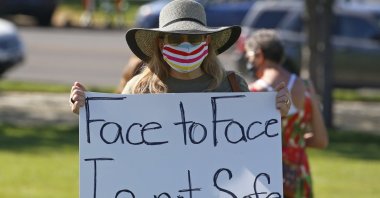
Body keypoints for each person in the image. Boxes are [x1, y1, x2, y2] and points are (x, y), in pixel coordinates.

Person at [70, 0, 291, 119]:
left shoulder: (232, 86)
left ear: (207, 41)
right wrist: (88, 112)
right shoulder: (139, 89)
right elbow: (113, 136)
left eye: (194, 38)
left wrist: (275, 114)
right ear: (160, 42)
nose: (186, 45)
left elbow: (253, 141)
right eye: (176, 38)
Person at [244, 29, 329, 198]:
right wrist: (294, 142)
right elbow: (321, 141)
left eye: (249, 57)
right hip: (299, 175)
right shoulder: (306, 86)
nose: (249, 62)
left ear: (259, 55)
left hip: (266, 175)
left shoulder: (254, 92)